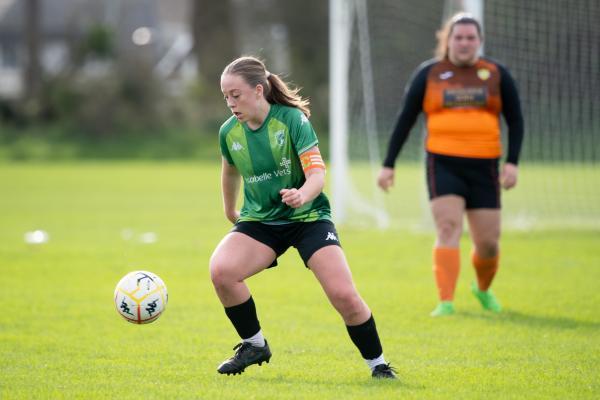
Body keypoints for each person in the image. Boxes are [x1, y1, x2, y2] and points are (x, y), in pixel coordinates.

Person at [210, 56, 396, 378]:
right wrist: (229, 208)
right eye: (225, 96)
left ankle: (378, 365)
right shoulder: (229, 132)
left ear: (258, 90)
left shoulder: (292, 120)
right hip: (261, 221)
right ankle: (254, 345)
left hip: (309, 217)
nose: (230, 103)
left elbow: (317, 174)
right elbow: (229, 170)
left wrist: (302, 195)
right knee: (222, 271)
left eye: (235, 95)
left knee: (343, 295)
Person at [377, 13, 524, 317]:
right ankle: (445, 301)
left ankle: (482, 289)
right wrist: (388, 164)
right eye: (459, 37)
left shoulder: (496, 74)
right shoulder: (429, 74)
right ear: (448, 40)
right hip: (443, 163)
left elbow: (516, 120)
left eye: (471, 38)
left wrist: (512, 163)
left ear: (479, 42)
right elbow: (405, 119)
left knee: (488, 244)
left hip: (485, 167)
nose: (465, 43)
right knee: (447, 227)